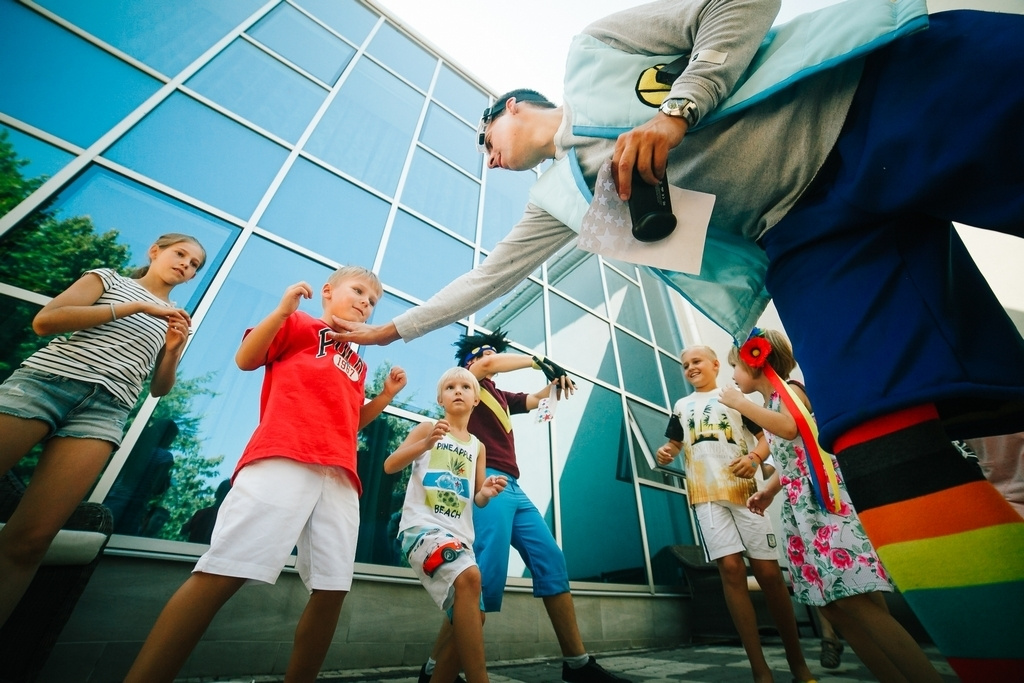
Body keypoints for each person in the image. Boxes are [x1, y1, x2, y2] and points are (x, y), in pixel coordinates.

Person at [334, 2, 1024, 677]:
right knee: (881, 438)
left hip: (865, 91)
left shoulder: (594, 53)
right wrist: (390, 329)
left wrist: (677, 111)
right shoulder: (564, 202)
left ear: (510, 107)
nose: (488, 161)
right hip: (806, 234)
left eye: (484, 143)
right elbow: (486, 280)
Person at [124, 266, 407, 683]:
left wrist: (384, 397)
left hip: (340, 474)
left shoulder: (356, 364)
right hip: (284, 456)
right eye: (359, 290)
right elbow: (246, 359)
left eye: (374, 300)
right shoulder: (298, 323)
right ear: (327, 292)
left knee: (333, 588)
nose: (366, 302)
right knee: (224, 571)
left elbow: (350, 423)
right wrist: (280, 311)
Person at [0, 232, 205, 626]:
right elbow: (46, 321)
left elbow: (160, 389)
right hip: (46, 385)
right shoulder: (108, 280)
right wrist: (135, 307)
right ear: (155, 250)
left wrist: (175, 349)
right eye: (181, 254)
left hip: (104, 414)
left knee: (31, 542)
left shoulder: (173, 317)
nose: (187, 265)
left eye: (195, 264)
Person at [721, 329, 942, 683]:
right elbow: (795, 456)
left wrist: (740, 404)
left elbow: (792, 429)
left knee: (854, 597)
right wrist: (770, 491)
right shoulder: (770, 406)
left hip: (822, 504)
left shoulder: (790, 393)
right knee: (835, 606)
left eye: (735, 367)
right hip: (802, 507)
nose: (731, 377)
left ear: (755, 364)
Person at [416, 330, 627, 683]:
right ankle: (436, 670)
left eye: (489, 351)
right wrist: (538, 361)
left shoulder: (499, 394)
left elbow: (538, 399)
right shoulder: (470, 388)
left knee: (552, 561)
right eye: (479, 354)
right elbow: (488, 362)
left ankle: (577, 664)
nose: (486, 357)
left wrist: (557, 383)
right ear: (466, 368)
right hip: (487, 482)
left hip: (514, 487)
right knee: (483, 582)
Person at [656, 344, 813, 683]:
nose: (690, 368)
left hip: (746, 493)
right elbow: (675, 444)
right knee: (729, 569)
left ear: (715, 365)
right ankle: (760, 670)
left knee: (769, 575)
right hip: (705, 496)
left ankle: (798, 663)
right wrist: (666, 452)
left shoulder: (734, 397)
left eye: (696, 361)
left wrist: (755, 459)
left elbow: (766, 438)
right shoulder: (681, 406)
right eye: (685, 365)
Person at [387, 367, 508, 683]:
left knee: (473, 618)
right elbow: (390, 465)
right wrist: (425, 444)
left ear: (476, 400)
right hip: (422, 529)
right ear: (440, 398)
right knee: (470, 577)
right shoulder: (428, 428)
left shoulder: (477, 446)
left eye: (465, 387)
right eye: (450, 387)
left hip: (459, 538)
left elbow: (477, 497)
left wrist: (487, 490)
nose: (458, 391)